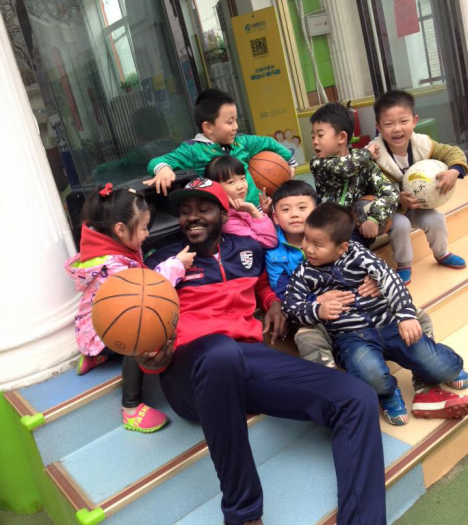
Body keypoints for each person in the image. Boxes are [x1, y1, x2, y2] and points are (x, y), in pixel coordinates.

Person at [142, 178, 387, 525]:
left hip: (246, 360)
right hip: (191, 369)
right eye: (185, 211)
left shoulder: (247, 250)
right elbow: (138, 318)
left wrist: (272, 301)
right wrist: (148, 356)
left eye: (202, 209)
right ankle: (243, 514)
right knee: (220, 352)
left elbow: (265, 280)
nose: (192, 217)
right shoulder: (163, 262)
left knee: (357, 397)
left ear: (224, 215)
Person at [282, 203, 468, 426]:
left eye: (317, 244)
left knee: (445, 367)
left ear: (342, 248)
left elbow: (390, 279)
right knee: (369, 373)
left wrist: (405, 315)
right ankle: (388, 392)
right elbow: (290, 306)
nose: (307, 248)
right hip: (351, 337)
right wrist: (317, 309)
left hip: (389, 325)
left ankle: (440, 370)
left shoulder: (359, 255)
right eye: (306, 239)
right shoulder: (304, 272)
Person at [265, 180, 437, 394]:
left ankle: (423, 375)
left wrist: (375, 281)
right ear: (275, 216)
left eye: (302, 207)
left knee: (418, 316)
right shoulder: (274, 254)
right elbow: (286, 296)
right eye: (285, 210)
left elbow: (371, 265)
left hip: (360, 308)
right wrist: (317, 302)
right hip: (320, 316)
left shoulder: (341, 238)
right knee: (306, 337)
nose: (294, 215)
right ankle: (339, 389)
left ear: (316, 211)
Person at [64, 184, 195, 433]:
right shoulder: (111, 265)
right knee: (140, 330)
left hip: (93, 328)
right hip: (103, 332)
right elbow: (145, 291)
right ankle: (131, 407)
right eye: (144, 227)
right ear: (121, 229)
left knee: (130, 320)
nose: (147, 233)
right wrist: (177, 264)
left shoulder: (105, 248)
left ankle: (96, 355)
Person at [371, 89, 467, 285]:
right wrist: (397, 197)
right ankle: (404, 264)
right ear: (378, 127)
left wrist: (454, 170)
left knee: (435, 218)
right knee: (401, 225)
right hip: (390, 211)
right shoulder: (373, 155)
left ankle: (442, 253)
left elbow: (452, 152)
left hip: (418, 206)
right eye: (388, 124)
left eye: (403, 121)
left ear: (414, 121)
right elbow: (369, 190)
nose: (397, 129)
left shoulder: (422, 144)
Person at [144, 88, 297, 207]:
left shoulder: (241, 141)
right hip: (228, 216)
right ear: (208, 127)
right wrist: (164, 169)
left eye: (236, 120)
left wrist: (290, 162)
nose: (236, 126)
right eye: (230, 122)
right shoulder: (193, 149)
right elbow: (157, 161)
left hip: (258, 207)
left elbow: (269, 142)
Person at [309, 102, 399, 247]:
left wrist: (374, 219)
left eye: (320, 135)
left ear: (341, 137)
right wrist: (367, 153)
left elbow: (390, 190)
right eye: (313, 136)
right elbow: (345, 168)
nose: (315, 142)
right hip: (326, 227)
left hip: (356, 229)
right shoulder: (318, 163)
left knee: (350, 248)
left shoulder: (365, 164)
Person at [204, 155, 277, 249]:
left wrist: (266, 213)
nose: (240, 186)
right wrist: (254, 212)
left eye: (242, 178)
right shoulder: (227, 221)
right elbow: (270, 242)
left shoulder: (240, 207)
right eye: (231, 182)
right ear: (216, 187)